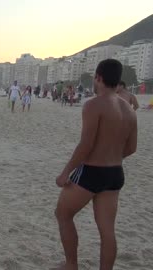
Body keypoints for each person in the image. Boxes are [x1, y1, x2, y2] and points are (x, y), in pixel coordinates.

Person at [55, 59, 137, 270]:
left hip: (92, 172)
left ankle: (71, 265)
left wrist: (66, 172)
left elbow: (86, 145)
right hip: (115, 173)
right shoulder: (129, 109)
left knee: (63, 214)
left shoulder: (94, 104)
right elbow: (131, 148)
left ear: (98, 78)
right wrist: (111, 157)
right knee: (107, 230)